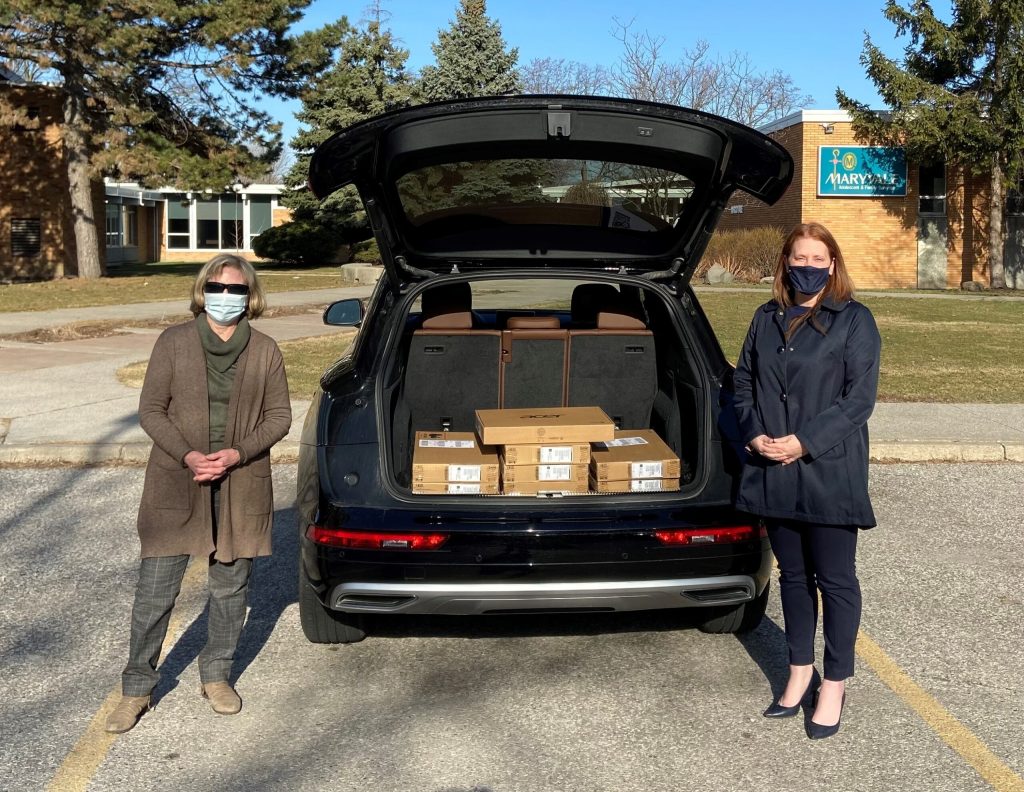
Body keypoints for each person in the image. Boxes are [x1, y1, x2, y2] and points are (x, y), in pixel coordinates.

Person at [106, 254, 291, 733]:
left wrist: (236, 454)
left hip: (240, 483)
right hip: (177, 478)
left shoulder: (266, 349)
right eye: (217, 287)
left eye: (235, 289)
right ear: (201, 289)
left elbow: (279, 417)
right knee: (154, 593)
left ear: (250, 296)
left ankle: (217, 676)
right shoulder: (173, 342)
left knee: (231, 590)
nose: (225, 297)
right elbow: (151, 410)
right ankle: (136, 689)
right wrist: (189, 455)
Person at [732, 222, 881, 740]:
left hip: (828, 471)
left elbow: (858, 402)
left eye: (819, 257)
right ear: (786, 263)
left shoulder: (855, 321)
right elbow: (742, 381)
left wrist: (803, 441)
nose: (809, 265)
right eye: (800, 257)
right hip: (773, 470)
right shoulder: (765, 317)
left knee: (835, 581)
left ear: (833, 265)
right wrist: (754, 434)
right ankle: (798, 673)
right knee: (793, 578)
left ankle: (835, 682)